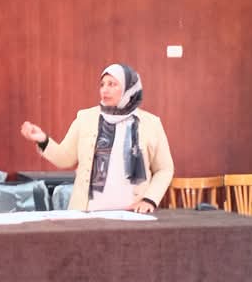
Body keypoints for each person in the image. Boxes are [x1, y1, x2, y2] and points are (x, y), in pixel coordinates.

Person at [20, 63, 173, 213]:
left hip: (131, 215)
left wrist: (149, 199)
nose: (105, 89)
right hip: (88, 213)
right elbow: (65, 158)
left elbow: (164, 169)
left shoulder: (151, 123)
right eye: (102, 84)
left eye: (112, 84)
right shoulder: (85, 118)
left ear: (129, 88)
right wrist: (42, 140)